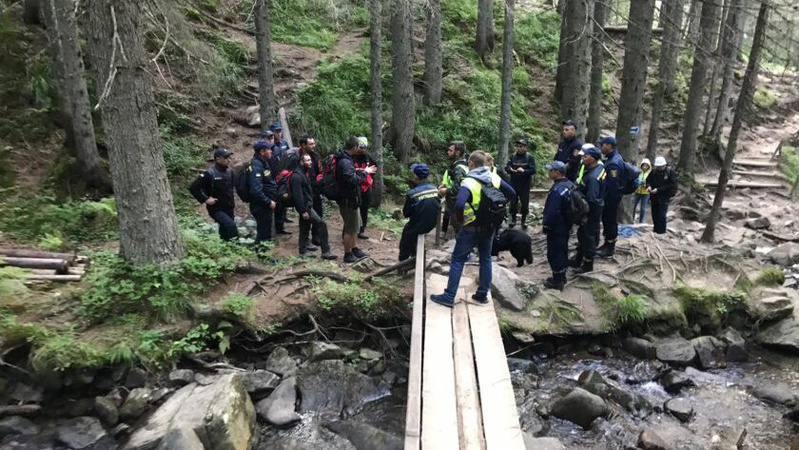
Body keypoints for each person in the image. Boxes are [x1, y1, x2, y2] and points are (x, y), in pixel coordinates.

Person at [430, 151, 516, 307]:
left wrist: (461, 220)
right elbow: (512, 192)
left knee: (457, 260)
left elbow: (459, 204)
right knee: (485, 258)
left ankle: (449, 296)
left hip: (471, 227)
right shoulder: (494, 177)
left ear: (471, 163)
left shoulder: (468, 182)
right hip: (489, 226)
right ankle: (482, 294)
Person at [290, 153, 337, 260]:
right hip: (306, 208)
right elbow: (298, 197)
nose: (310, 162)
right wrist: (303, 211)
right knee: (321, 224)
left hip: (307, 206)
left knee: (304, 229)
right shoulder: (297, 176)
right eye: (307, 160)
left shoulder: (304, 173)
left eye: (310, 160)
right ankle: (326, 251)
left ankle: (303, 251)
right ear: (301, 162)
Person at [336, 136, 376, 263]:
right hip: (347, 200)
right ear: (353, 147)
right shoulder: (345, 162)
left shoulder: (348, 160)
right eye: (358, 146)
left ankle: (354, 248)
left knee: (355, 227)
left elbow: (351, 175)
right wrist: (365, 172)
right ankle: (347, 254)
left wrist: (362, 171)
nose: (360, 149)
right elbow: (352, 180)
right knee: (349, 228)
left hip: (353, 199)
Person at [189, 148, 239, 241]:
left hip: (229, 207)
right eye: (226, 157)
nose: (228, 160)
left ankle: (225, 249)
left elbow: (231, 188)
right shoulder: (209, 173)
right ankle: (238, 248)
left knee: (225, 230)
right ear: (217, 159)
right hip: (216, 209)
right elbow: (193, 188)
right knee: (231, 226)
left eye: (229, 157)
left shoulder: (230, 172)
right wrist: (205, 199)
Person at [569, 146, 606, 274]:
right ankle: (578, 258)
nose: (582, 158)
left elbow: (592, 199)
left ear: (593, 158)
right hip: (596, 208)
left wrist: (583, 214)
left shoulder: (593, 177)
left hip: (591, 211)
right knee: (586, 235)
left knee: (587, 236)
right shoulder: (598, 169)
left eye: (585, 156)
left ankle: (588, 264)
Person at [541, 161, 575, 290]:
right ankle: (561, 275)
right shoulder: (569, 184)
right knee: (563, 249)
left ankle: (557, 280)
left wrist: (546, 226)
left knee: (554, 253)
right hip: (566, 224)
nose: (549, 172)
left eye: (551, 170)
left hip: (557, 227)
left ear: (558, 172)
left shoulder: (557, 190)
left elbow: (552, 211)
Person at [399, 163, 441, 261]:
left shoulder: (412, 194)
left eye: (413, 173)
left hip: (417, 226)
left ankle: (402, 261)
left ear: (416, 176)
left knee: (407, 234)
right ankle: (414, 257)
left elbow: (406, 214)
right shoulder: (435, 189)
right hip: (431, 225)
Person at [596, 136, 625, 258]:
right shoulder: (612, 159)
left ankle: (610, 247)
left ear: (609, 146)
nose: (601, 147)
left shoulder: (613, 163)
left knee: (610, 221)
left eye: (602, 145)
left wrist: (607, 198)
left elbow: (612, 184)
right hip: (610, 197)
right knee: (608, 220)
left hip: (611, 198)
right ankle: (607, 243)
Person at [248, 140, 278, 245]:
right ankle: (263, 256)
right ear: (262, 152)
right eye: (269, 149)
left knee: (264, 231)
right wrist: (268, 201)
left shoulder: (263, 163)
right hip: (261, 205)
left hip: (264, 205)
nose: (271, 151)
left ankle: (261, 252)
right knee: (264, 232)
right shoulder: (256, 166)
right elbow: (256, 190)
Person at [505, 138, 537, 229]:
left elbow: (533, 170)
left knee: (524, 203)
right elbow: (506, 167)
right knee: (513, 202)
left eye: (521, 146)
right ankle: (513, 219)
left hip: (525, 184)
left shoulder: (529, 157)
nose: (519, 148)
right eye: (518, 146)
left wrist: (524, 171)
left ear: (525, 148)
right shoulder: (513, 156)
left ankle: (524, 220)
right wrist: (510, 170)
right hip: (514, 183)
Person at [439, 141, 469, 236]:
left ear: (458, 152)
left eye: (450, 150)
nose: (448, 152)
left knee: (459, 230)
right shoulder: (461, 164)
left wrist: (445, 190)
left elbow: (458, 187)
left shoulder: (459, 167)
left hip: (457, 204)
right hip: (457, 203)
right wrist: (445, 185)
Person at [269, 122, 292, 234]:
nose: (279, 134)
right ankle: (279, 226)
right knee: (278, 201)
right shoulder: (270, 146)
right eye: (277, 132)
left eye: (280, 131)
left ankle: (284, 217)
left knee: (285, 197)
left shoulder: (284, 143)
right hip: (274, 177)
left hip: (285, 175)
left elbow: (288, 156)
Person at [647, 156, 677, 234]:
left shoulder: (670, 173)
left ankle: (662, 232)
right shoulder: (653, 172)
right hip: (654, 197)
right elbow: (648, 180)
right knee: (654, 214)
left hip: (664, 197)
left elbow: (672, 185)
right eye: (658, 167)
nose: (660, 168)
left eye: (661, 167)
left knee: (662, 215)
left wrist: (659, 190)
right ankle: (655, 230)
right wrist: (649, 186)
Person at [354, 136, 376, 240]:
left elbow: (374, 169)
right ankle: (349, 230)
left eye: (364, 147)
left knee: (364, 209)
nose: (362, 150)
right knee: (352, 209)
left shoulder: (368, 157)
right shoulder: (351, 157)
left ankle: (362, 230)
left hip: (366, 187)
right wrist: (361, 170)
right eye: (360, 147)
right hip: (354, 186)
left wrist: (369, 178)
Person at [633, 158, 652, 224]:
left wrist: (645, 184)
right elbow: (634, 180)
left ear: (649, 166)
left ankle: (641, 221)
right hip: (637, 191)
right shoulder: (638, 173)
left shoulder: (650, 174)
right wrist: (636, 182)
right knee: (633, 206)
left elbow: (651, 183)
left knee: (643, 208)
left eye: (646, 165)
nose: (644, 167)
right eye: (643, 165)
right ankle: (632, 219)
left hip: (645, 193)